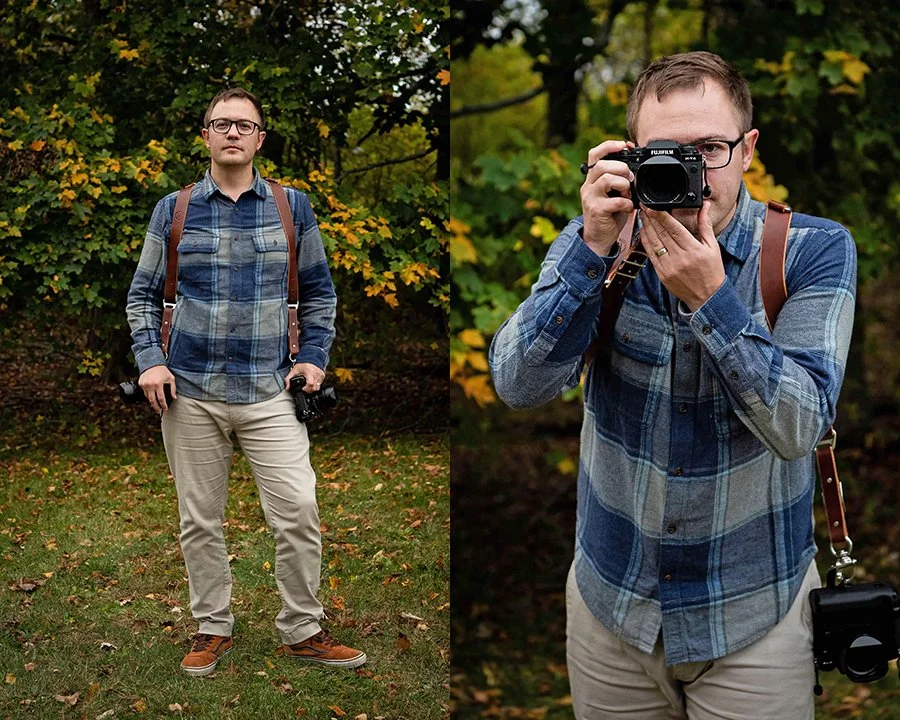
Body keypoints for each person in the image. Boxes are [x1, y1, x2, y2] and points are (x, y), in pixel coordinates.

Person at [489, 51, 856, 719]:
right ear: (631, 156)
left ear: (747, 150)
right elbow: (516, 385)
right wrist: (591, 249)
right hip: (612, 607)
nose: (692, 172)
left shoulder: (810, 250)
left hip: (754, 612)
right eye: (667, 152)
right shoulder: (599, 242)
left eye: (709, 149)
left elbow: (802, 427)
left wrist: (712, 300)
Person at [126, 87, 366, 677]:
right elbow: (142, 296)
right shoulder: (173, 209)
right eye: (221, 124)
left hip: (271, 391)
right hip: (190, 392)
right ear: (206, 135)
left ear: (260, 138)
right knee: (199, 519)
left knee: (299, 510)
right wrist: (150, 359)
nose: (232, 132)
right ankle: (212, 627)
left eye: (244, 125)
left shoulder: (292, 207)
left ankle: (302, 629)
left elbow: (319, 293)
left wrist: (314, 357)